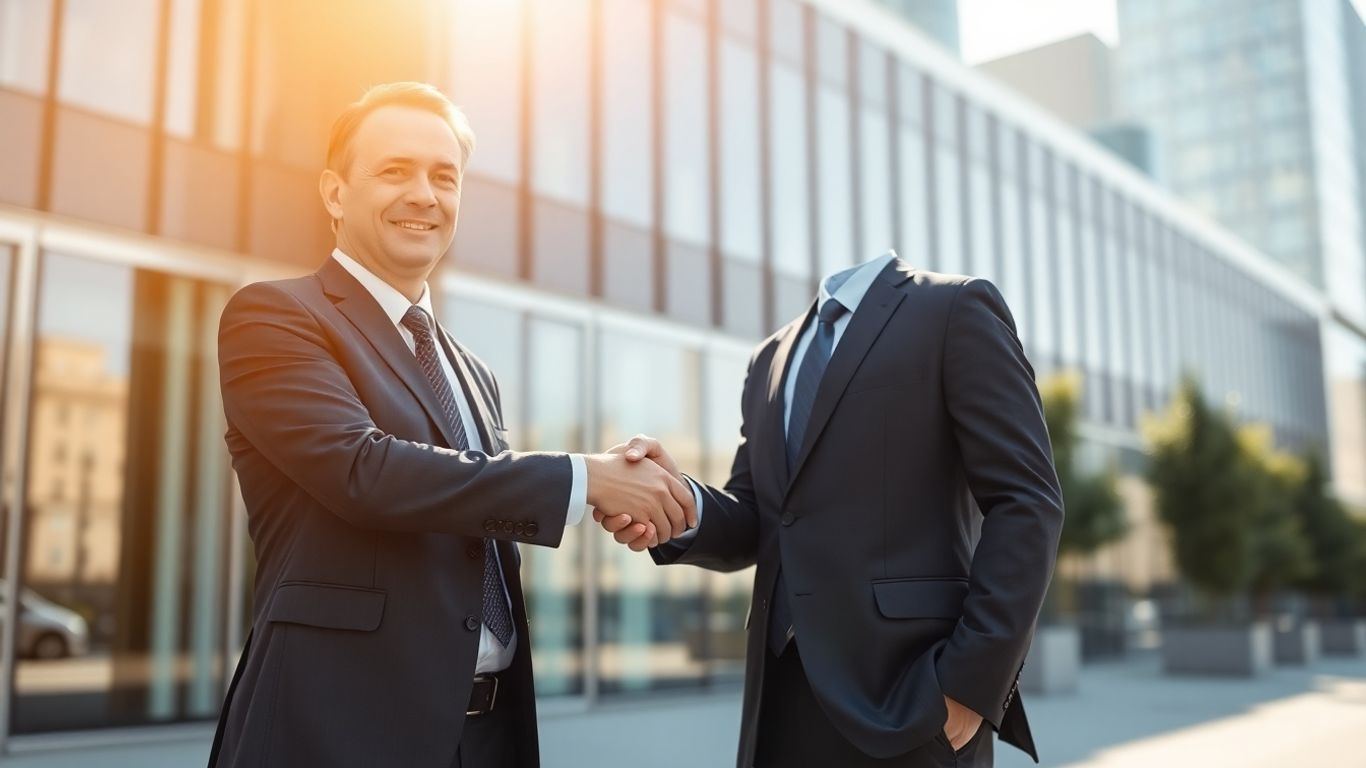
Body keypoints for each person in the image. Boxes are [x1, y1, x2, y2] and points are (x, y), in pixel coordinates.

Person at [209, 81, 692, 768]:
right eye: (394, 171)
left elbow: (474, 496)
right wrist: (586, 481)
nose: (424, 196)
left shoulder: (471, 370)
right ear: (335, 193)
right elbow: (363, 471)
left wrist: (620, 495)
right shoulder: (276, 317)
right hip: (338, 728)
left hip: (485, 734)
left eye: (445, 177)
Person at [604, 251, 1063, 767]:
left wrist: (968, 685)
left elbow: (1026, 500)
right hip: (779, 703)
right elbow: (760, 514)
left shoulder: (954, 308)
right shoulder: (769, 358)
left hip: (910, 695)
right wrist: (677, 501)